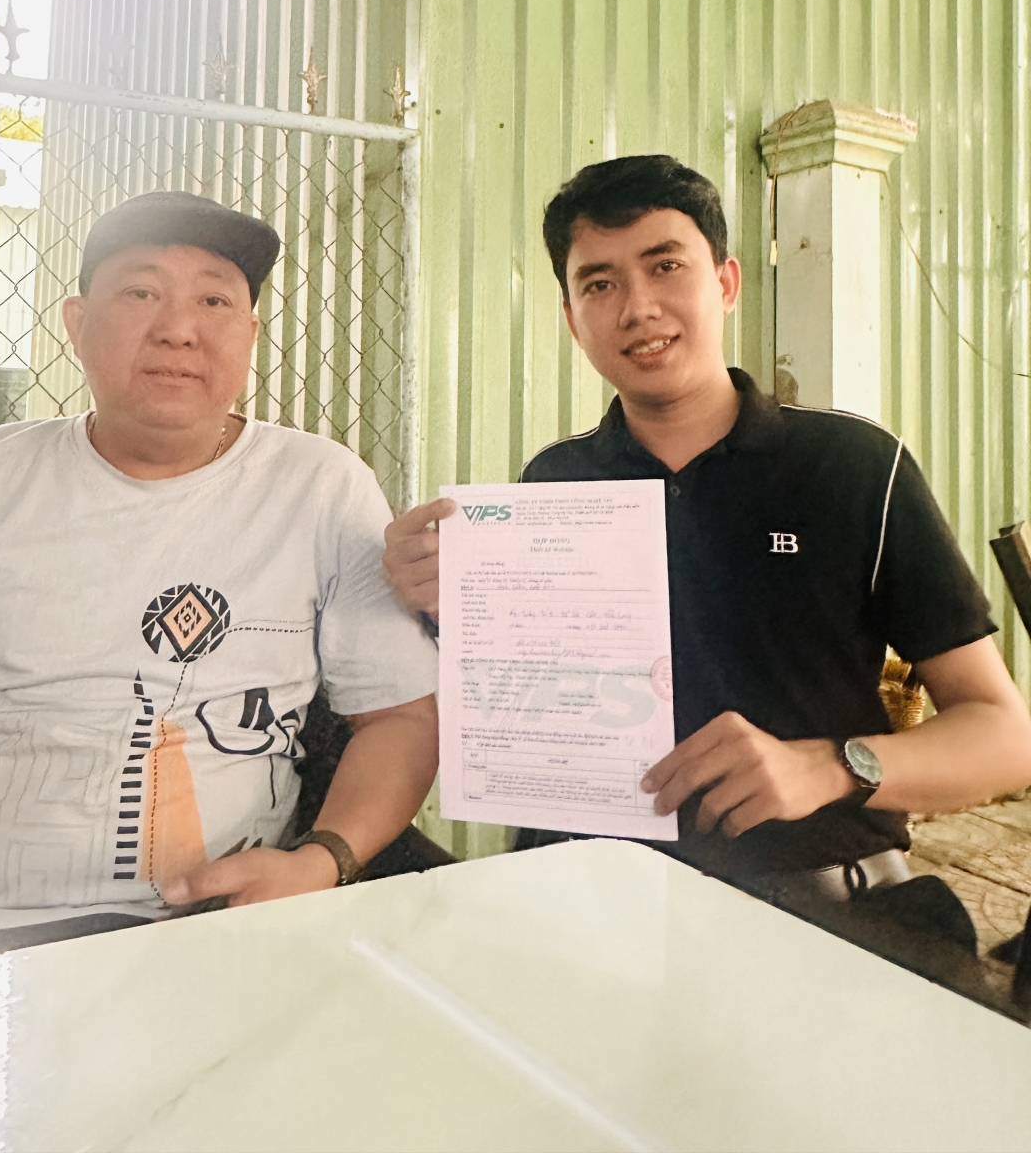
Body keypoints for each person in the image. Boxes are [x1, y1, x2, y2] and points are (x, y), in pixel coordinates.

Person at [383, 154, 1031, 997]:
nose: (638, 307)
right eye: (600, 283)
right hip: (588, 927)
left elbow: (1003, 735)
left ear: (725, 283)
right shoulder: (553, 486)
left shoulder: (854, 467)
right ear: (573, 318)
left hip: (824, 927)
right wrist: (441, 607)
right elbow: (531, 698)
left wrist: (832, 765)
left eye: (665, 266)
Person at [0, 190, 439, 981]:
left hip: (215, 934)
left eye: (215, 301)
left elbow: (399, 717)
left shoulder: (321, 486)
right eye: (142, 292)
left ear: (251, 335)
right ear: (77, 322)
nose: (179, 328)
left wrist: (321, 861)